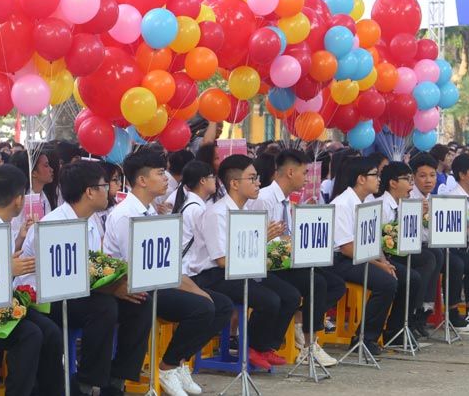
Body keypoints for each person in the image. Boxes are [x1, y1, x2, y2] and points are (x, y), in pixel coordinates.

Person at [19, 161, 154, 396]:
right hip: (44, 297)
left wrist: (117, 284)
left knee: (140, 300)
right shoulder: (55, 224)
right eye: (105, 185)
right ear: (90, 192)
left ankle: (117, 378)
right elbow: (63, 280)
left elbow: (92, 268)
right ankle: (88, 383)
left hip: (77, 292)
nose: (110, 191)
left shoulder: (91, 220)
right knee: (103, 307)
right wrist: (112, 290)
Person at [104, 150, 233, 396]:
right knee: (202, 307)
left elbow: (168, 264)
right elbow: (137, 269)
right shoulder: (125, 215)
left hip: (159, 281)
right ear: (142, 180)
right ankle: (165, 367)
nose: (167, 179)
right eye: (160, 173)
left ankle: (176, 362)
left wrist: (197, 290)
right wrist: (196, 293)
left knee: (222, 305)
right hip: (133, 286)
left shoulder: (151, 211)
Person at [191, 154, 301, 370]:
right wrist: (261, 239)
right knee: (269, 300)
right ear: (234, 183)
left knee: (291, 296)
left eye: (257, 177)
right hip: (215, 276)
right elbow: (222, 260)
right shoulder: (217, 213)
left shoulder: (246, 210)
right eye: (252, 178)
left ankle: (265, 346)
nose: (258, 183)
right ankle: (251, 347)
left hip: (240, 268)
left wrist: (264, 241)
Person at [0, 164, 64, 396]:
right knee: (30, 335)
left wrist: (17, 246)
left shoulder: (1, 225)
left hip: (1, 302)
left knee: (51, 331)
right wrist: (7, 270)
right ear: (19, 200)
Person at [246, 149, 341, 367]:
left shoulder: (286, 200)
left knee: (333, 283)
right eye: (304, 172)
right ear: (290, 172)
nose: (307, 178)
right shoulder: (265, 200)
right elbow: (257, 239)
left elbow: (285, 237)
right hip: (267, 265)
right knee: (307, 287)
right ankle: (301, 343)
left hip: (284, 262)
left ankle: (302, 327)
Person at [331, 157, 411, 354]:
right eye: (375, 175)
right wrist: (378, 264)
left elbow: (373, 239)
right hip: (341, 260)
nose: (378, 180)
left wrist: (383, 261)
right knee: (386, 283)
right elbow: (347, 248)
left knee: (402, 275)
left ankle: (393, 331)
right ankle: (364, 338)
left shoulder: (367, 201)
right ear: (361, 179)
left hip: (362, 255)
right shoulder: (342, 204)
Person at [376, 162, 433, 338]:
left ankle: (413, 315)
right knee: (411, 277)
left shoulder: (401, 203)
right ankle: (395, 329)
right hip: (381, 256)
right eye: (407, 180)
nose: (411, 185)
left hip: (396, 252)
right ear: (393, 183)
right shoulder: (381, 206)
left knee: (429, 257)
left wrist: (418, 214)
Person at [409, 153, 446, 320]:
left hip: (425, 244)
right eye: (423, 176)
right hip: (408, 245)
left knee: (438, 253)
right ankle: (416, 310)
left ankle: (427, 306)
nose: (429, 180)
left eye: (432, 175)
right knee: (430, 258)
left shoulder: (432, 197)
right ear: (413, 177)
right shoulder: (409, 197)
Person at [9, 150, 54, 251]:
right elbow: (13, 238)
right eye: (46, 166)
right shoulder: (20, 201)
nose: (51, 169)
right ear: (33, 173)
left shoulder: (43, 197)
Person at [446, 154, 469, 327]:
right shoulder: (453, 198)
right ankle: (453, 310)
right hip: (452, 247)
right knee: (458, 264)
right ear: (462, 174)